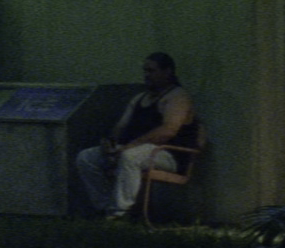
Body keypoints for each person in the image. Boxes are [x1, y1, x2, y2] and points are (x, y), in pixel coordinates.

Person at [75, 53, 200, 218]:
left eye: (151, 71)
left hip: (167, 154)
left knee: (130, 157)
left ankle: (119, 213)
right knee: (86, 157)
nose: (146, 75)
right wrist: (110, 143)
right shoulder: (140, 98)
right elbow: (120, 126)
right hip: (135, 149)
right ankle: (104, 206)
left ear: (167, 72)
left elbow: (168, 131)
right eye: (145, 71)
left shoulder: (177, 97)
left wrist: (128, 147)